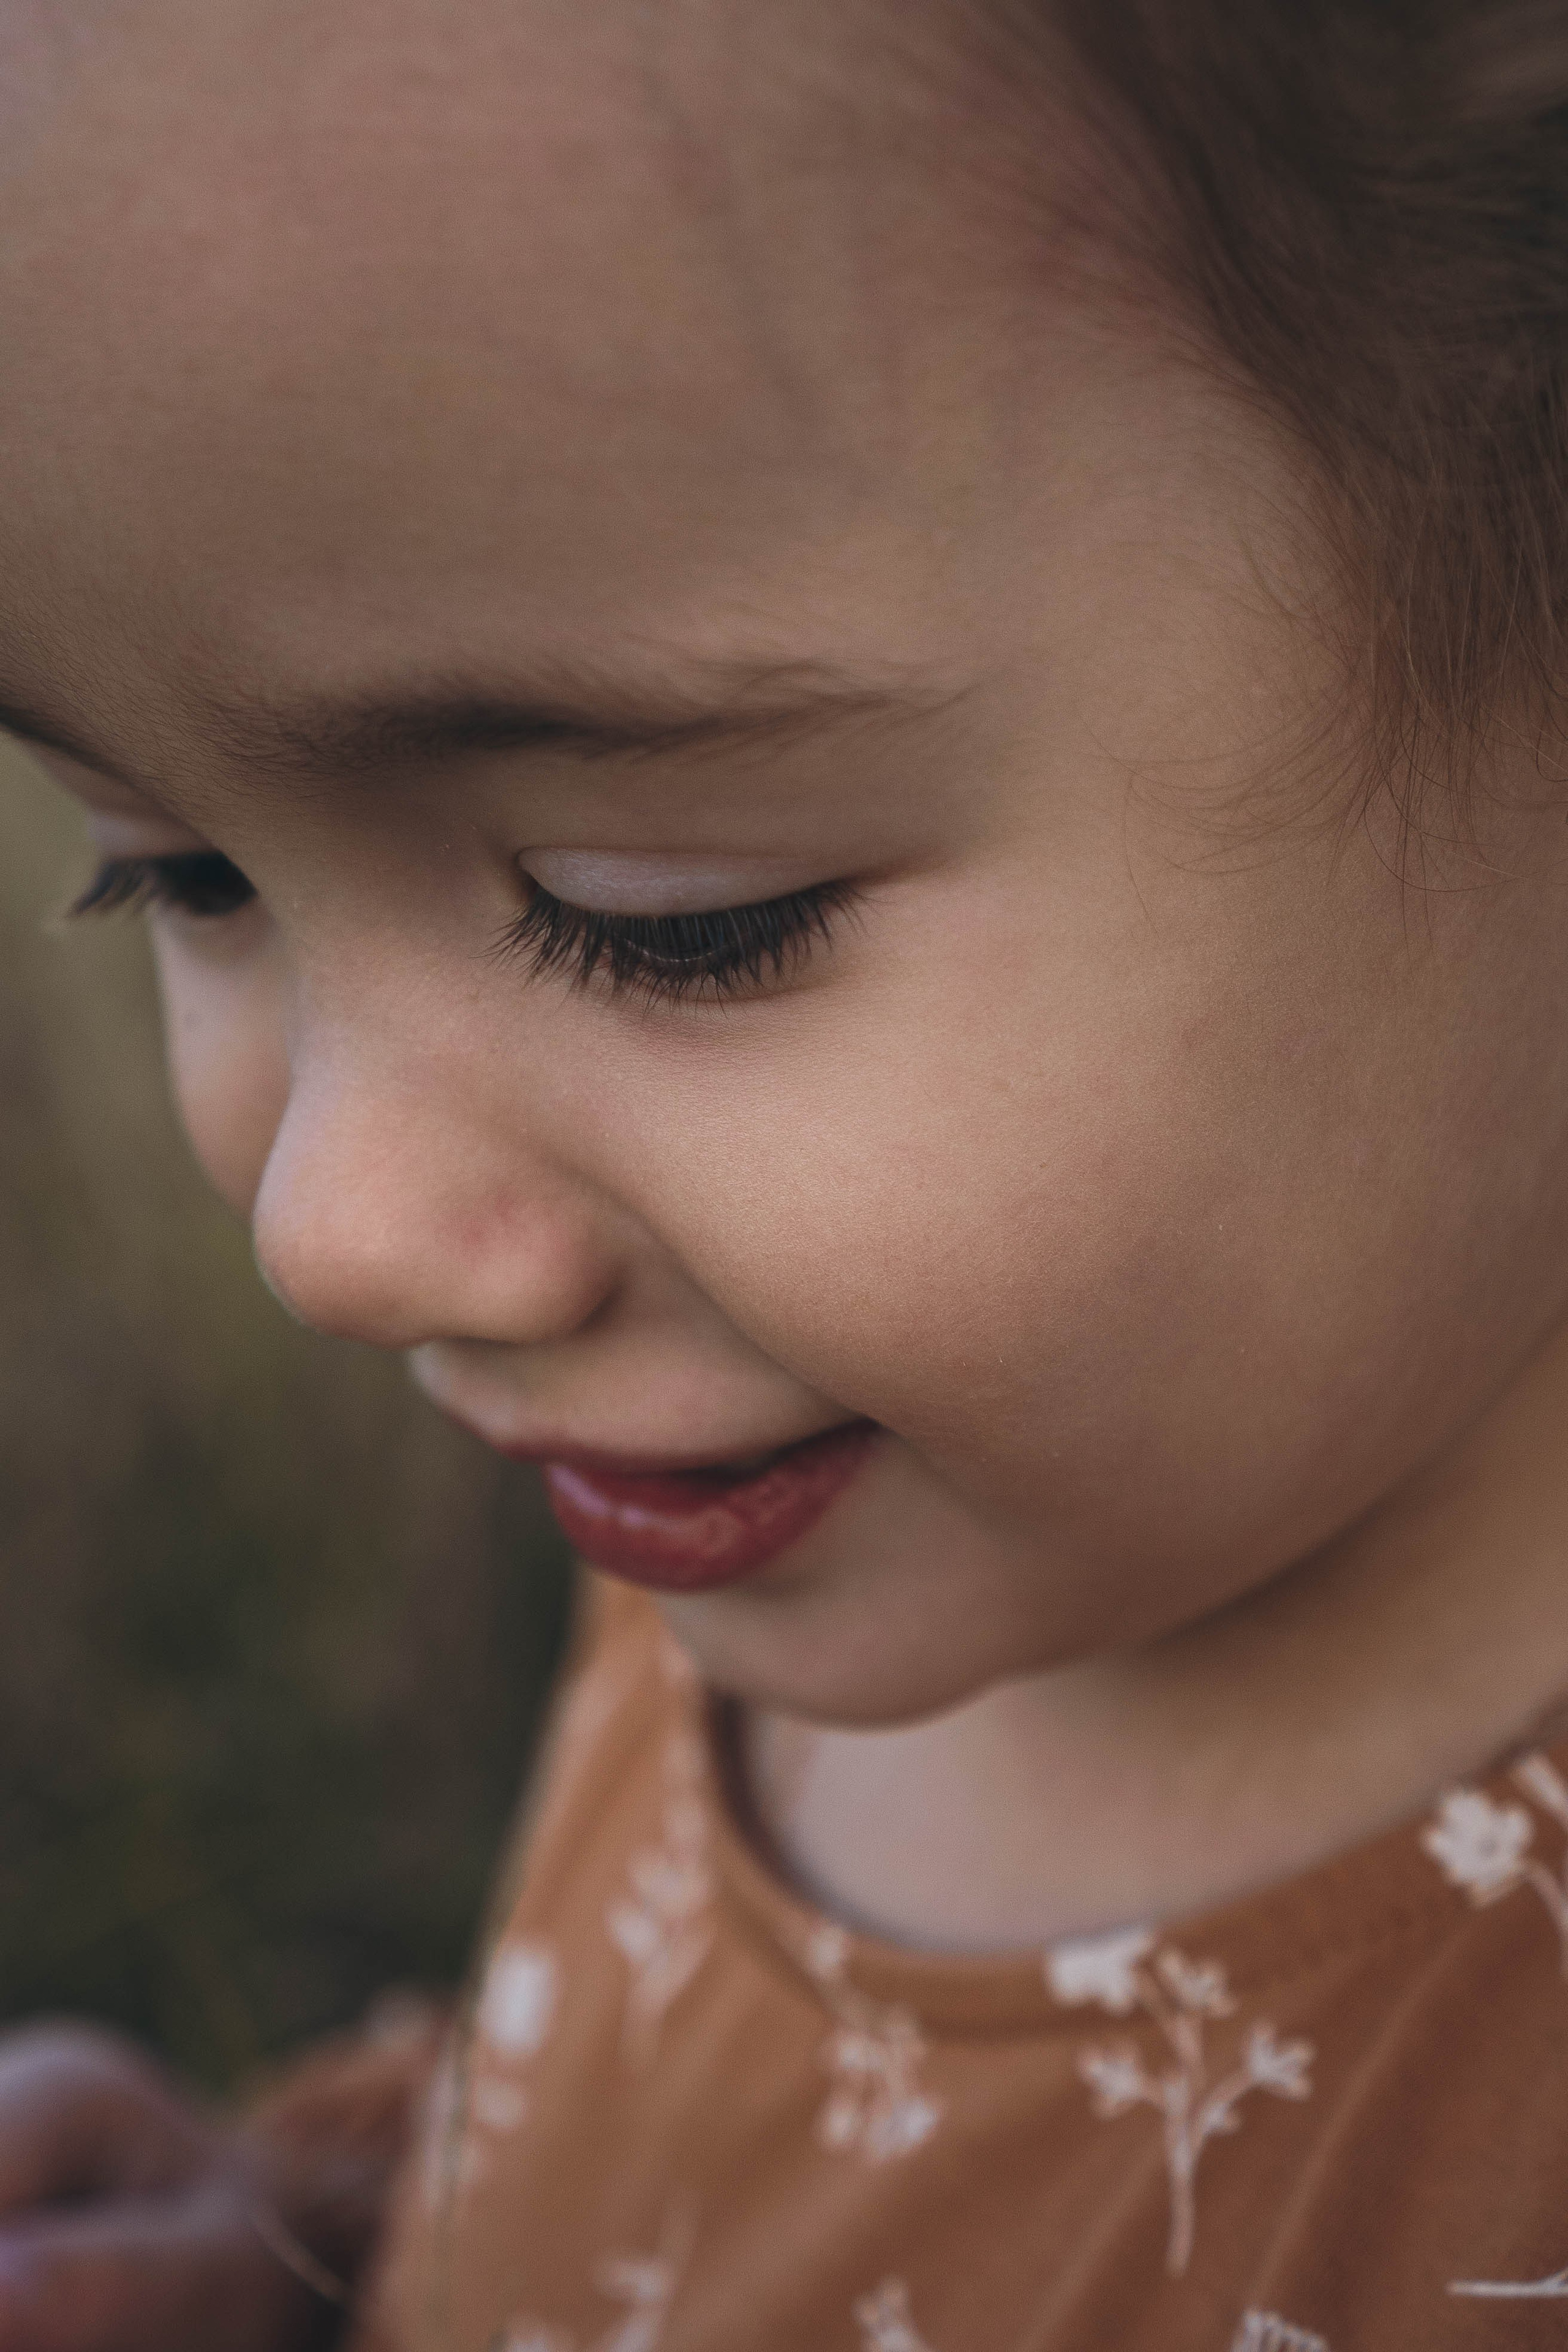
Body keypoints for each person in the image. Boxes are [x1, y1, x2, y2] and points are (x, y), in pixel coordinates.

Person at [4, 0, 1568, 2343]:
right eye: (179, 871)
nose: (332, 1235)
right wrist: (344, 2239)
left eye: (668, 915)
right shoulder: (791, 1467)